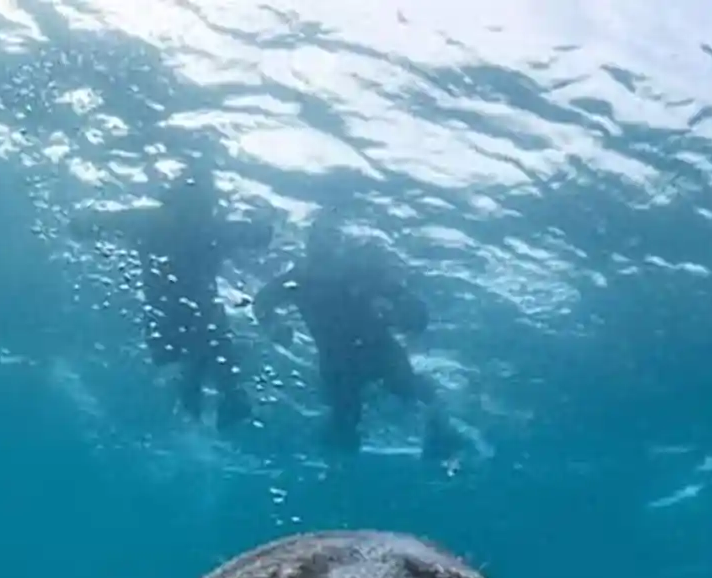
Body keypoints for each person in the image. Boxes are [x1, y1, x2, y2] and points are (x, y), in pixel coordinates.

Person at [69, 160, 272, 431]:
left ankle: (199, 415)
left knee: (198, 375)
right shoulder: (204, 226)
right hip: (198, 317)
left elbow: (88, 227)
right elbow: (259, 236)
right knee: (215, 373)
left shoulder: (152, 221)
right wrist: (261, 219)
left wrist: (87, 222)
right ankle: (207, 410)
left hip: (167, 317)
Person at [251, 213, 461, 461]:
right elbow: (261, 303)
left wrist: (399, 317)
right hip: (341, 362)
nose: (325, 249)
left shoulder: (356, 272)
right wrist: (274, 325)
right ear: (310, 246)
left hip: (376, 351)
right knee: (346, 418)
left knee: (407, 391)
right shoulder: (299, 279)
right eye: (320, 241)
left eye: (331, 240)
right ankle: (338, 471)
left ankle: (443, 433)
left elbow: (416, 312)